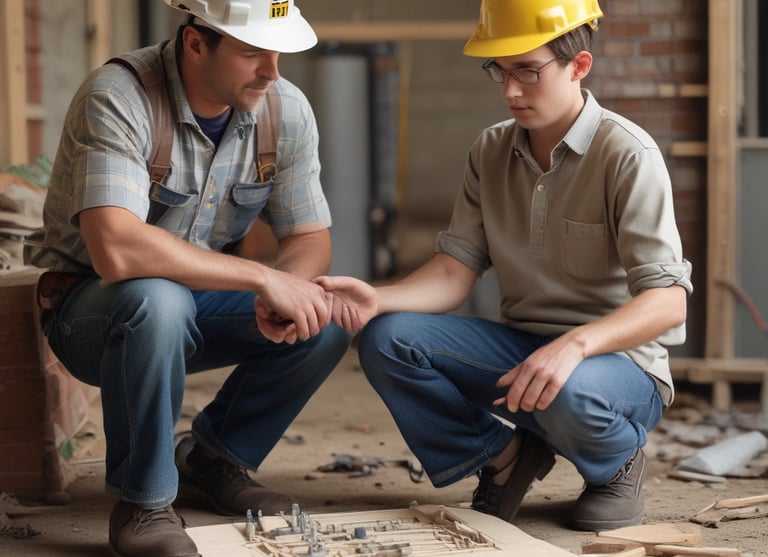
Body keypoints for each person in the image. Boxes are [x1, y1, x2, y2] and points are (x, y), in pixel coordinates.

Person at [318, 0, 693, 532]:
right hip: (523, 353)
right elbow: (455, 270)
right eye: (500, 71)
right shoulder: (490, 149)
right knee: (386, 338)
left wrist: (577, 344)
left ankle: (617, 464)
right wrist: (381, 298)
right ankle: (505, 459)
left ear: (578, 66)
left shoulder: (627, 154)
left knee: (567, 384)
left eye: (527, 71)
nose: (510, 90)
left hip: (618, 367)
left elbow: (669, 300)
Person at [24, 1, 349, 555]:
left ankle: (212, 459)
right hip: (93, 311)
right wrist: (256, 278)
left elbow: (309, 238)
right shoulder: (120, 96)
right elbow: (117, 250)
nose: (272, 71)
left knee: (327, 316)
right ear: (197, 43)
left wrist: (288, 288)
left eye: (278, 52)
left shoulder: (283, 108)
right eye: (252, 53)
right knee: (158, 299)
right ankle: (144, 503)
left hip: (194, 301)